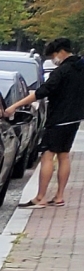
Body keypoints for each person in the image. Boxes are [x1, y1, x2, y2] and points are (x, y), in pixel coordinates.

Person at [41, 39, 84, 208]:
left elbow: (43, 91)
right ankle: (59, 196)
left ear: (60, 52)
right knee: (64, 155)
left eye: (53, 55)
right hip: (74, 118)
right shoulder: (81, 68)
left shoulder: (62, 71)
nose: (54, 59)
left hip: (58, 118)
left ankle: (40, 197)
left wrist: (16, 105)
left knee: (47, 155)